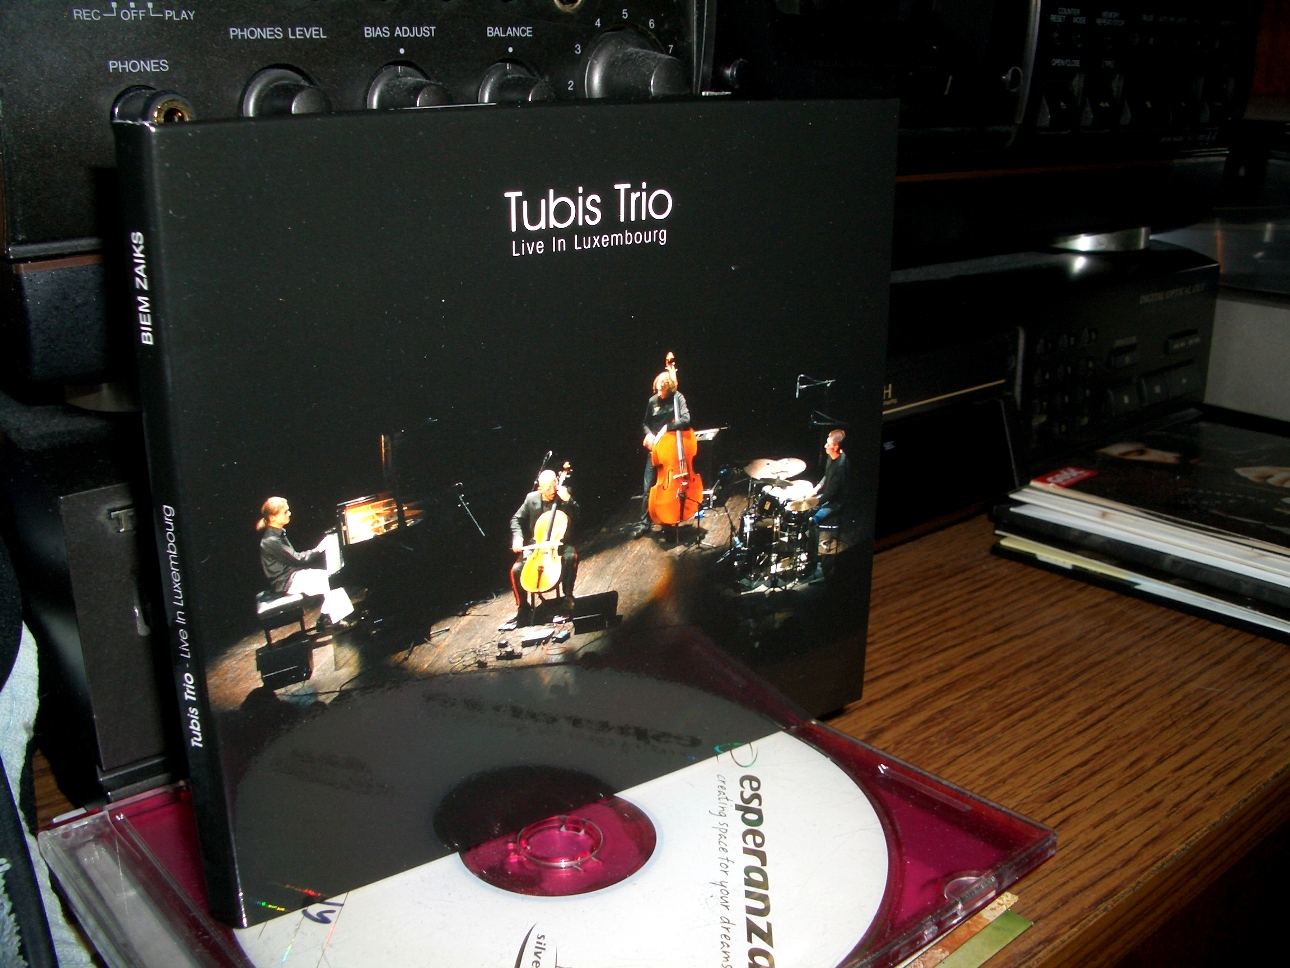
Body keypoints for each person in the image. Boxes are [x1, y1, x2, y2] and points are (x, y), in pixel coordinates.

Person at [257, 497, 353, 631]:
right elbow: (297, 559)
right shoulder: (271, 541)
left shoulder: (277, 534)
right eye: (285, 512)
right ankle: (332, 619)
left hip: (292, 576)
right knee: (330, 580)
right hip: (286, 582)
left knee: (331, 578)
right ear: (272, 517)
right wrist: (318, 549)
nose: (289, 513)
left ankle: (328, 617)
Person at [502, 469, 578, 630]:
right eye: (548, 488)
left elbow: (578, 516)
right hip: (538, 544)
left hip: (559, 543)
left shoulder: (564, 494)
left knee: (571, 557)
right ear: (540, 488)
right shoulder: (531, 499)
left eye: (554, 484)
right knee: (516, 569)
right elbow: (516, 519)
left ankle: (568, 598)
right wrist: (517, 537)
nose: (553, 490)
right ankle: (523, 608)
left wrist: (569, 501)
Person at [637, 369, 691, 533]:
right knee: (648, 489)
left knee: (669, 487)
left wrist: (668, 427)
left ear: (669, 388)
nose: (659, 393)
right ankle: (645, 524)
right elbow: (645, 423)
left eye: (663, 390)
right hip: (655, 450)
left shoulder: (677, 398)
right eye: (658, 389)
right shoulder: (653, 401)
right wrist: (649, 435)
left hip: (670, 450)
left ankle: (668, 520)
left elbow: (686, 419)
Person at [811, 429, 849, 525]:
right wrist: (816, 488)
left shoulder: (841, 466)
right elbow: (827, 475)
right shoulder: (831, 456)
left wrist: (814, 502)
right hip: (827, 496)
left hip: (836, 502)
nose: (825, 446)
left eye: (828, 444)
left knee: (813, 520)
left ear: (835, 447)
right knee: (806, 512)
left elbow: (831, 493)